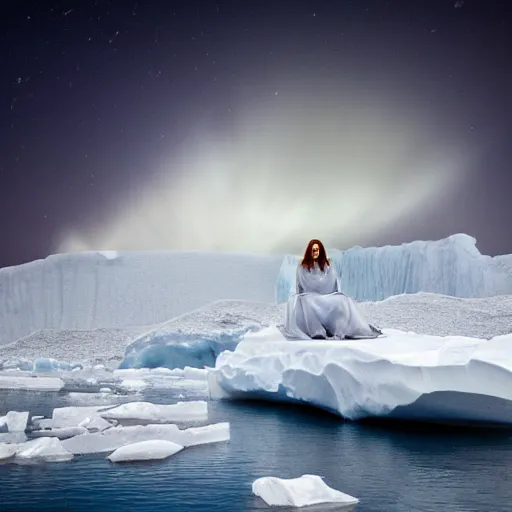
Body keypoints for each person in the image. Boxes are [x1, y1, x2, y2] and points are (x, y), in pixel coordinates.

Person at [284, 239, 382, 340]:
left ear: (320, 251)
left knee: (343, 300)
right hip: (310, 296)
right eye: (313, 250)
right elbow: (300, 286)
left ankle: (340, 331)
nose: (315, 252)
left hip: (327, 296)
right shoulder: (302, 266)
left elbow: (333, 283)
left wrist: (332, 293)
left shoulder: (328, 265)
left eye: (317, 250)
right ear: (309, 251)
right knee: (305, 300)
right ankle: (317, 331)